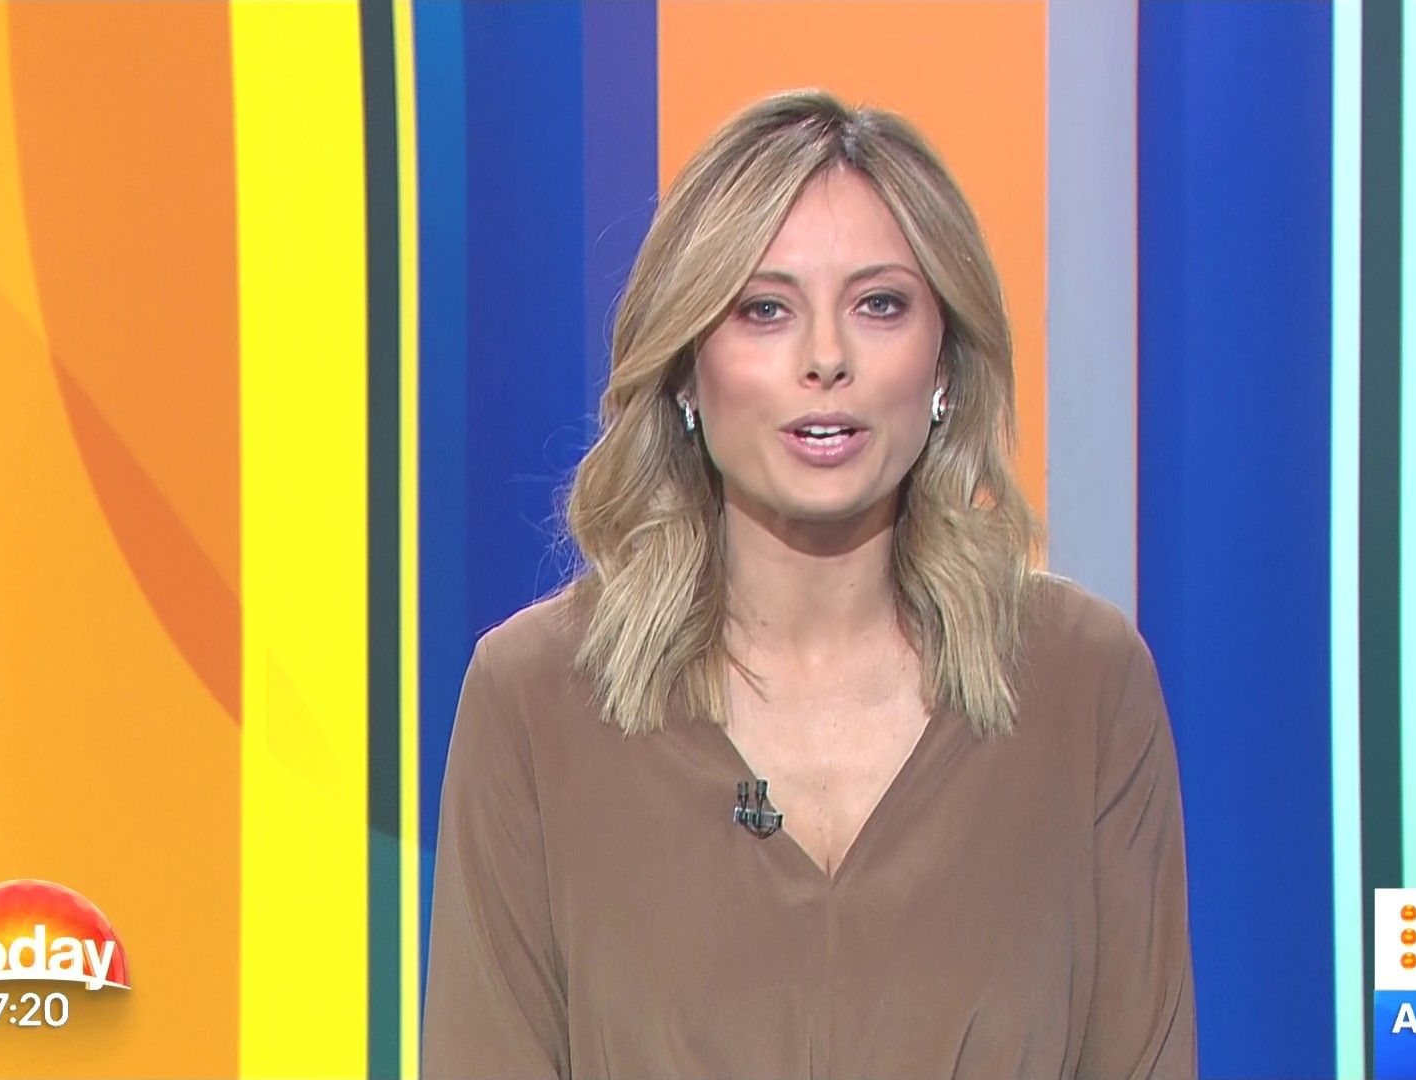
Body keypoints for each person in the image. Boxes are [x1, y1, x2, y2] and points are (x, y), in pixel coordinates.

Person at [422, 88, 1196, 1079]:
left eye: (879, 305)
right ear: (686, 371)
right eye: (765, 309)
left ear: (945, 363)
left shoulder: (1083, 685)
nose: (826, 358)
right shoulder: (534, 699)